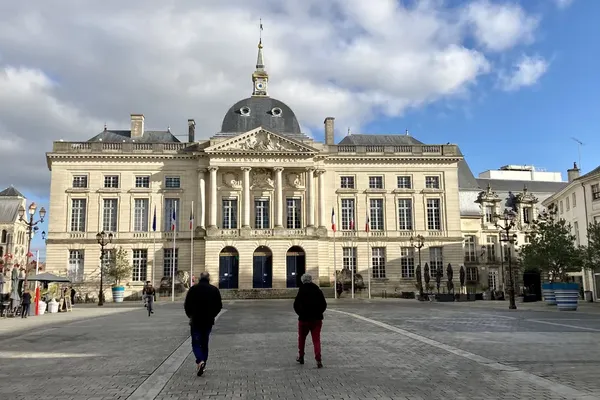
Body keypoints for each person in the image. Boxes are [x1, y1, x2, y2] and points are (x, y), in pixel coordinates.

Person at [184, 271, 222, 377]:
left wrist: (190, 315)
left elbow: (187, 305)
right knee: (205, 343)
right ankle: (203, 362)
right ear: (208, 278)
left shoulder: (193, 289)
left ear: (199, 278)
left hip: (195, 320)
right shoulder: (214, 290)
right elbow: (219, 305)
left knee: (196, 343)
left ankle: (200, 361)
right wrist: (213, 315)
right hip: (208, 321)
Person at [293, 273, 327, 368]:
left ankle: (301, 356)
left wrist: (301, 313)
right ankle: (318, 359)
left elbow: (296, 305)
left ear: (303, 281)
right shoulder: (318, 290)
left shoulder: (301, 290)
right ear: (311, 280)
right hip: (316, 319)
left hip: (304, 319)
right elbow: (324, 304)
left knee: (301, 339)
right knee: (316, 340)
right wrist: (318, 313)